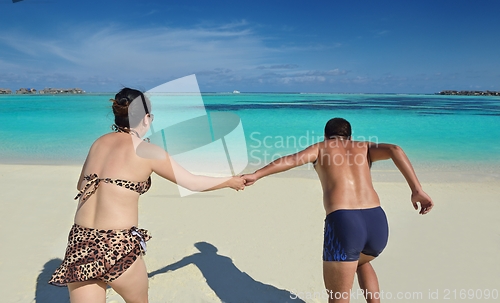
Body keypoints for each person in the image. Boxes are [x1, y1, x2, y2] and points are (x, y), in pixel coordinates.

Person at [49, 88, 246, 303]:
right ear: (147, 118)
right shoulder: (147, 151)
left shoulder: (99, 143)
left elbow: (81, 186)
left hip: (81, 244)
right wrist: (229, 181)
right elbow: (192, 182)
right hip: (117, 245)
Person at [242, 117, 433, 303]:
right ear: (350, 137)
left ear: (326, 136)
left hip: (344, 223)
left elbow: (291, 160)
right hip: (377, 222)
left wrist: (257, 174)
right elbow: (395, 149)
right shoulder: (365, 147)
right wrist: (416, 190)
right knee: (361, 261)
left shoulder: (320, 148)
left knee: (338, 297)